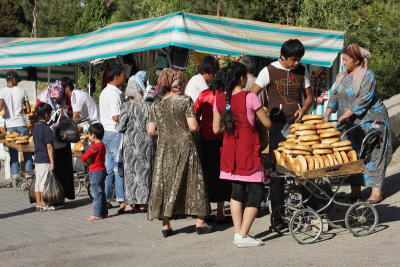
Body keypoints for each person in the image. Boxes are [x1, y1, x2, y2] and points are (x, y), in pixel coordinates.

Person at [250, 39, 313, 230]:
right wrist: (264, 117)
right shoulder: (268, 70)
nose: (296, 63)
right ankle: (278, 219)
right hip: (276, 128)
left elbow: (309, 95)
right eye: (292, 60)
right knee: (276, 174)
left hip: (297, 129)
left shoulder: (302, 70)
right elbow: (252, 95)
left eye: (299, 60)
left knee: (303, 171)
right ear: (282, 57)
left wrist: (303, 109)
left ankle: (307, 213)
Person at [147, 68, 212, 238]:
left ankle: (166, 224)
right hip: (184, 146)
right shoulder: (184, 100)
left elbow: (150, 130)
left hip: (164, 148)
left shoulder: (156, 104)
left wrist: (165, 132)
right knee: (193, 181)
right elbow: (193, 127)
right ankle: (200, 221)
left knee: (165, 183)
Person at [213, 62, 271, 247]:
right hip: (248, 150)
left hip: (230, 151)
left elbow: (216, 129)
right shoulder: (250, 97)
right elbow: (267, 123)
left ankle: (238, 233)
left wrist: (229, 124)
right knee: (257, 191)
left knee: (237, 191)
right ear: (242, 78)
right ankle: (243, 235)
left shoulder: (219, 99)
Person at [323, 44, 390, 204]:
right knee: (352, 154)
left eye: (346, 60)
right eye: (343, 59)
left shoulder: (367, 75)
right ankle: (355, 191)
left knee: (374, 155)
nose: (343, 62)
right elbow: (335, 95)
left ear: (358, 60)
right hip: (350, 123)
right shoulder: (342, 76)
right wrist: (328, 111)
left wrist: (345, 114)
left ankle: (376, 192)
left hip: (372, 121)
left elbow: (364, 98)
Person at [194, 67, 232, 223]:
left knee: (205, 175)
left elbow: (195, 114)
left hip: (204, 139)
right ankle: (220, 212)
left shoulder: (203, 95)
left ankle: (205, 212)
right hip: (221, 140)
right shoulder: (224, 97)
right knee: (221, 175)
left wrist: (200, 129)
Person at [116, 80, 154, 214]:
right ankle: (143, 204)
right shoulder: (149, 105)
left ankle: (130, 205)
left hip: (131, 146)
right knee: (144, 173)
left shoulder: (126, 106)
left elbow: (120, 127)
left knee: (131, 173)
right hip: (146, 145)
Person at [39, 80, 75, 200]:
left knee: (64, 171)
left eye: (57, 99)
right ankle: (53, 197)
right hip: (52, 140)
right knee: (54, 171)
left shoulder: (64, 99)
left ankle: (62, 195)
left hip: (63, 140)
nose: (55, 101)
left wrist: (64, 112)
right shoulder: (44, 98)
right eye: (53, 99)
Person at [0, 71, 33, 187]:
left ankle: (16, 178)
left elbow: (0, 108)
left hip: (10, 126)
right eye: (17, 79)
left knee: (13, 153)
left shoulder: (2, 91)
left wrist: (6, 113)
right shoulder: (22, 91)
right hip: (22, 124)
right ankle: (29, 177)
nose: (18, 82)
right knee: (27, 151)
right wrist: (20, 111)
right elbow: (28, 109)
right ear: (13, 79)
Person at [99, 63, 125, 209]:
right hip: (114, 133)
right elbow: (116, 117)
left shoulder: (104, 92)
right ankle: (121, 200)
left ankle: (106, 198)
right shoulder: (115, 93)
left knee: (109, 168)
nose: (124, 78)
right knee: (118, 167)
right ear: (116, 77)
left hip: (106, 132)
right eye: (122, 75)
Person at [81, 123, 108, 221]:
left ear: (93, 135)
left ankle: (97, 214)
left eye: (89, 134)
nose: (89, 137)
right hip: (102, 170)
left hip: (95, 172)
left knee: (96, 193)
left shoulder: (94, 147)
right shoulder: (102, 145)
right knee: (102, 192)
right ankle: (104, 212)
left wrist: (84, 160)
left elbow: (84, 156)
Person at [32, 103, 54, 211]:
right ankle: (44, 203)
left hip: (37, 158)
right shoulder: (47, 129)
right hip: (45, 158)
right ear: (46, 115)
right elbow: (49, 147)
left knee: (38, 182)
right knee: (44, 182)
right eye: (50, 114)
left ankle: (38, 203)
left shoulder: (35, 128)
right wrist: (52, 162)